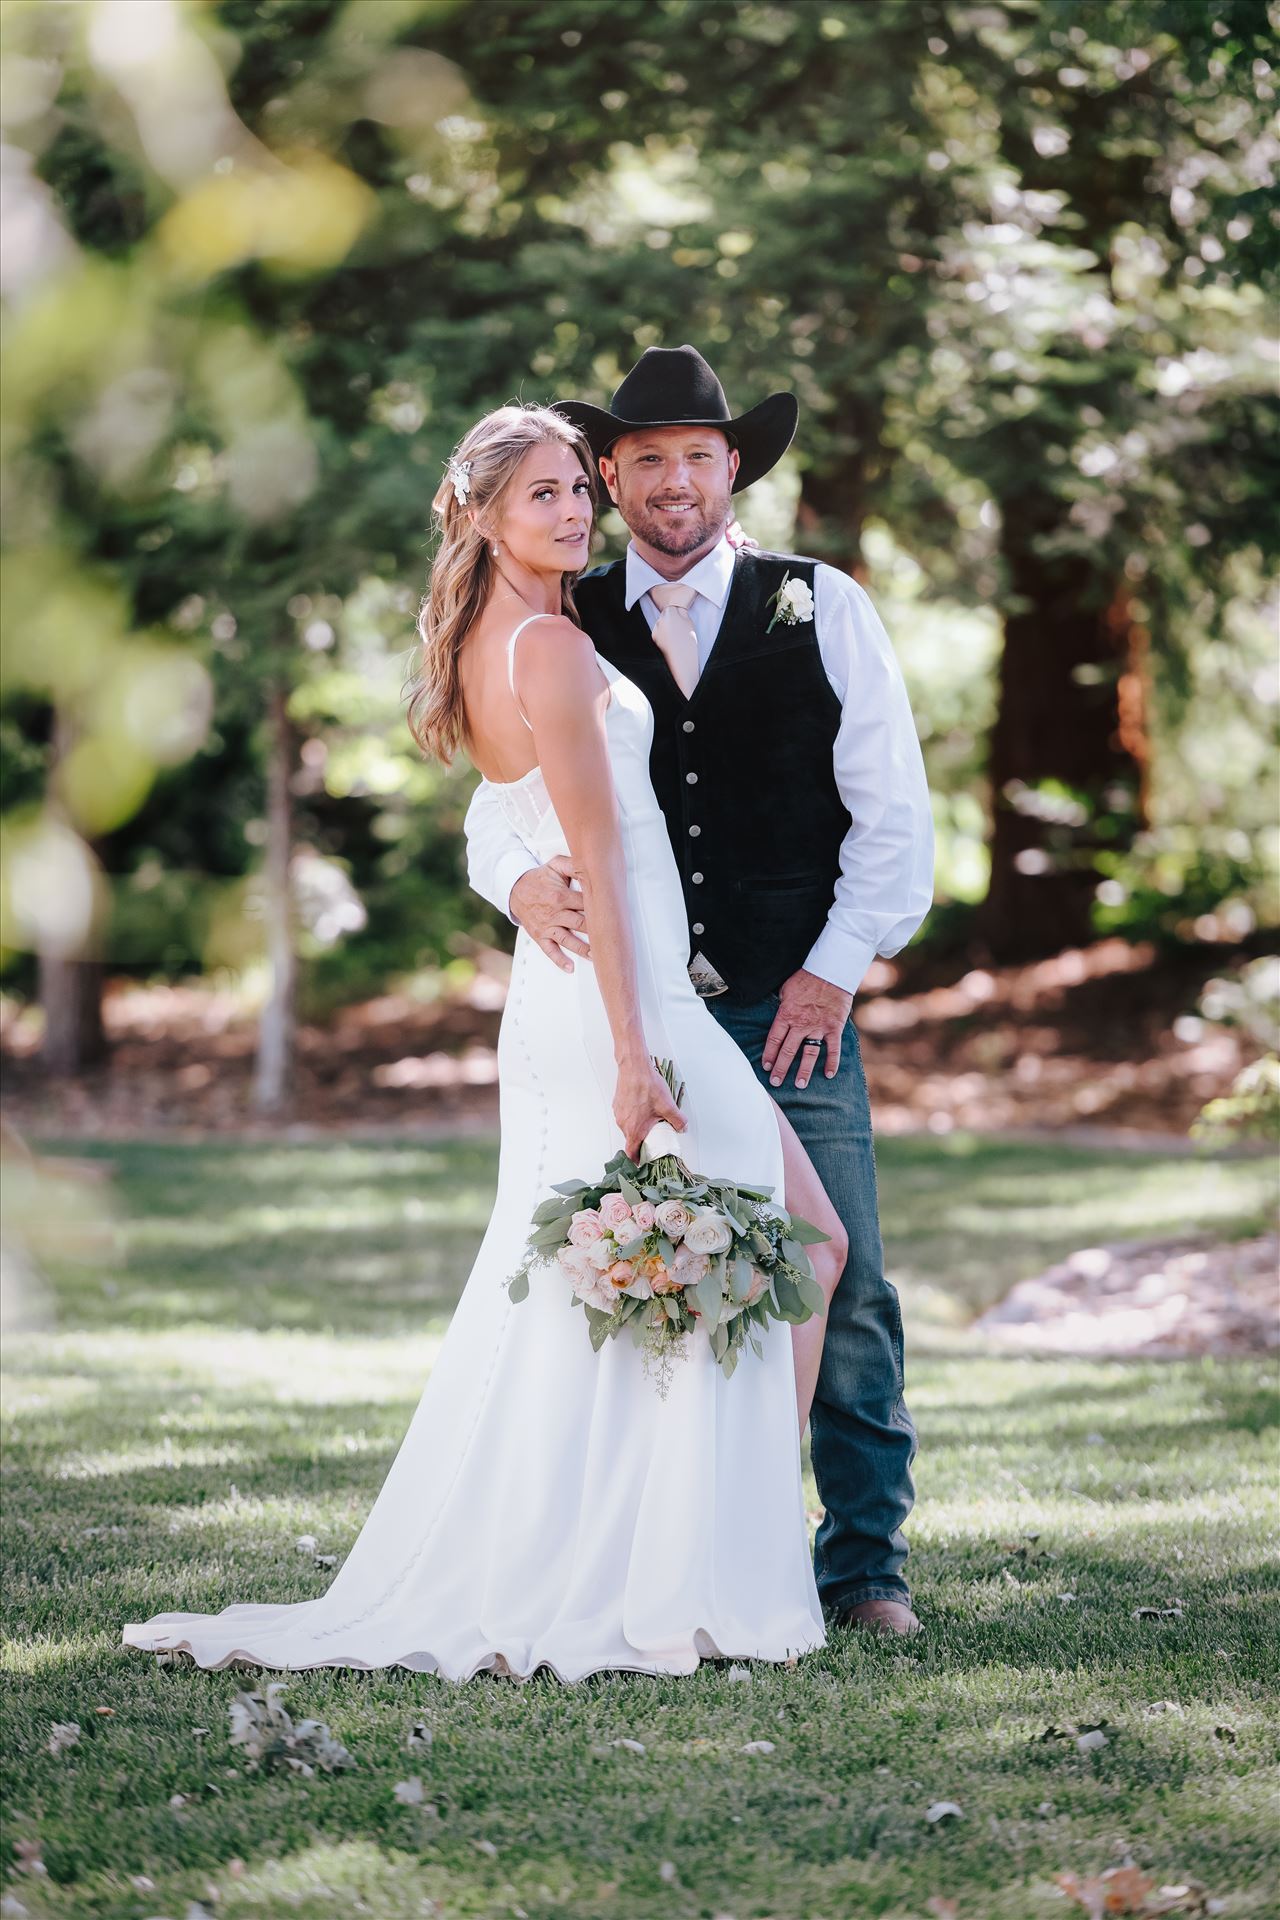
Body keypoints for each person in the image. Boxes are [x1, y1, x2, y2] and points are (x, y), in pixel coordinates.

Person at [121, 400, 848, 1683]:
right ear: (481, 514)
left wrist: (539, 906)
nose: (575, 511)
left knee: (686, 1278)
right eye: (545, 495)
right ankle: (705, 1570)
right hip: (619, 1007)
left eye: (579, 487)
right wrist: (637, 1051)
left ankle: (697, 1555)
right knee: (761, 1254)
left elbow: (525, 825)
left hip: (584, 999)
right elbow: (608, 872)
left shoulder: (503, 635)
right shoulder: (553, 655)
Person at [466, 346, 934, 1637]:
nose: (675, 481)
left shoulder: (819, 604)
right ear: (610, 476)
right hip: (635, 1008)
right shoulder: (565, 613)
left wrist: (831, 977)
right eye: (647, 459)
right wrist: (516, 884)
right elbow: (491, 803)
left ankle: (862, 1568)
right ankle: (648, 1562)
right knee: (632, 1293)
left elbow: (895, 818)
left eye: (699, 456)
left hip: (790, 1008)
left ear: (734, 468)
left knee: (841, 1275)